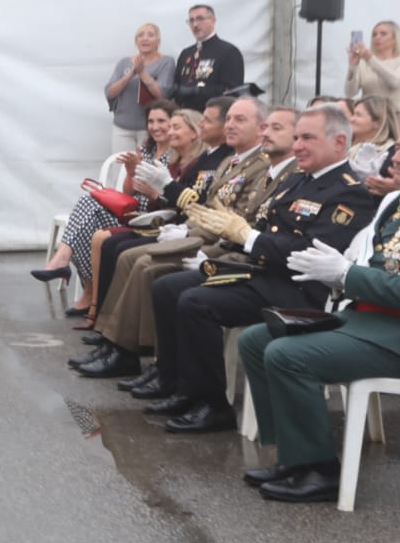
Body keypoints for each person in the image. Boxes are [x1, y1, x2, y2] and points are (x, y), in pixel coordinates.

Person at [238, 114, 400, 502]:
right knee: (257, 340)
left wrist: (345, 275)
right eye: (399, 148)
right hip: (372, 317)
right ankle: (292, 457)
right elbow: (382, 267)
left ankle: (320, 470)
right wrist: (336, 275)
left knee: (289, 355)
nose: (397, 158)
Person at [146, 105, 379, 433]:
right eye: (296, 137)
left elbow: (307, 253)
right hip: (264, 274)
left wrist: (249, 237)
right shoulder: (299, 180)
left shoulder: (348, 193)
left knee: (196, 303)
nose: (297, 145)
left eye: (307, 138)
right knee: (167, 286)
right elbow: (266, 228)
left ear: (339, 143)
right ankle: (179, 385)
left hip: (301, 291)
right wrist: (233, 239)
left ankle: (212, 405)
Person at [76, 100, 290, 381]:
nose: (230, 125)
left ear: (259, 128)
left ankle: (140, 354)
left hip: (221, 243)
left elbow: (235, 220)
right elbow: (210, 207)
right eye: (229, 119)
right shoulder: (231, 162)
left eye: (239, 120)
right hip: (202, 233)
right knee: (129, 254)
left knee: (145, 265)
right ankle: (115, 342)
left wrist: (188, 230)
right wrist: (186, 227)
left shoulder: (261, 166)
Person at [32, 100, 177, 290]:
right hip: (132, 212)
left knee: (86, 227)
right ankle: (76, 274)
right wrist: (131, 170)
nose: (155, 127)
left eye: (161, 121)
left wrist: (150, 189)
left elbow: (167, 197)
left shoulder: (175, 155)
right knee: (87, 205)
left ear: (173, 124)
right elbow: (129, 191)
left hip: (151, 218)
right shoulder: (146, 150)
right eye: (151, 122)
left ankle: (82, 282)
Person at [104, 23, 175, 153]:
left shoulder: (166, 61)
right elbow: (110, 92)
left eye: (151, 35)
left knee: (145, 169)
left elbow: (162, 94)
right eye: (141, 35)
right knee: (120, 170)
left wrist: (142, 73)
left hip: (151, 129)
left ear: (158, 41)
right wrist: (131, 74)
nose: (145, 38)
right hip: (122, 127)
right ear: (136, 42)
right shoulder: (124, 62)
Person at [170, 4, 244, 110]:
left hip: (212, 115)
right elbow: (177, 84)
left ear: (213, 21)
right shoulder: (186, 53)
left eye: (200, 19)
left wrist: (198, 91)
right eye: (191, 20)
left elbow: (232, 90)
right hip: (185, 115)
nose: (195, 24)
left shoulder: (228, 52)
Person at [343, 19, 400, 105]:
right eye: (374, 35)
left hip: (392, 115)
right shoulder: (364, 62)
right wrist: (352, 66)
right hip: (367, 115)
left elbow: (395, 82)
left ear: (395, 38)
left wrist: (370, 59)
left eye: (383, 34)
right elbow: (350, 92)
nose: (377, 37)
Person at [347, 95, 399, 179]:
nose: (351, 119)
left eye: (358, 115)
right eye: (353, 114)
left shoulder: (393, 154)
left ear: (377, 122)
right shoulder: (351, 149)